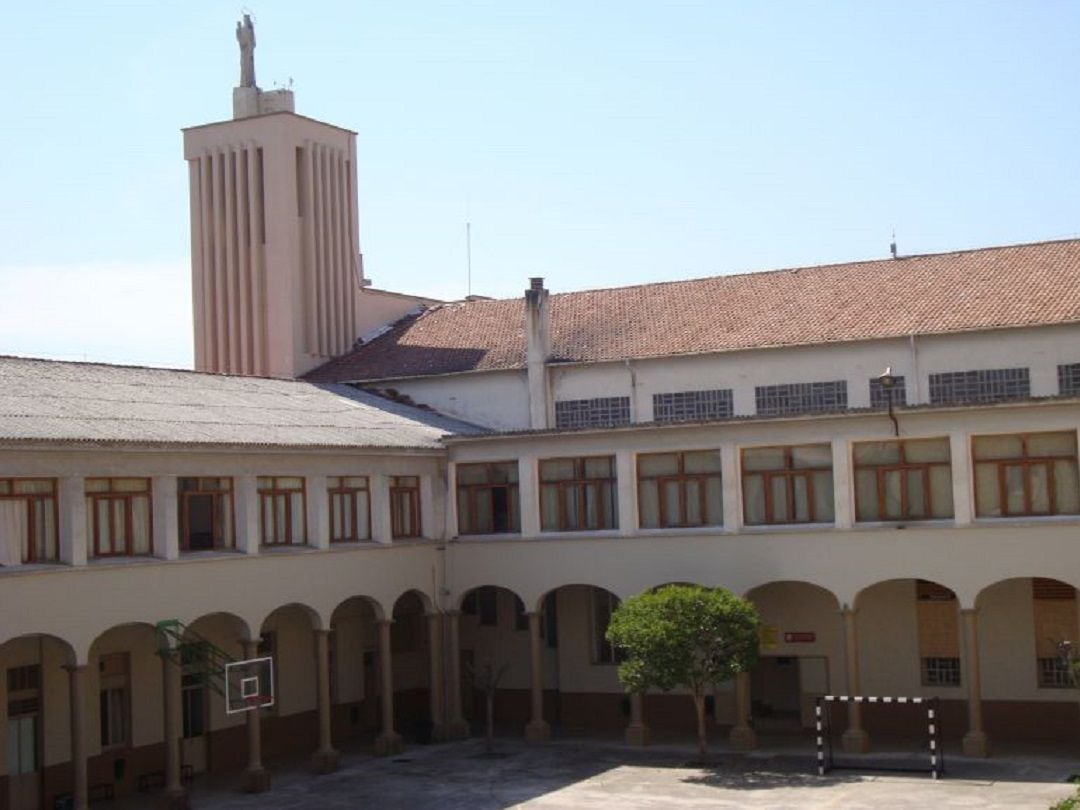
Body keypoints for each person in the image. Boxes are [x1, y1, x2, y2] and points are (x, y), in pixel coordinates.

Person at [237, 14, 256, 88]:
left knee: (250, 70)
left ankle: (250, 83)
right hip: (244, 52)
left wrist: (250, 46)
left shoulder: (250, 30)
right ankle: (244, 83)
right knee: (243, 69)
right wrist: (238, 28)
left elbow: (253, 42)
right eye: (244, 19)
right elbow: (240, 39)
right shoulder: (242, 29)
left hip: (249, 52)